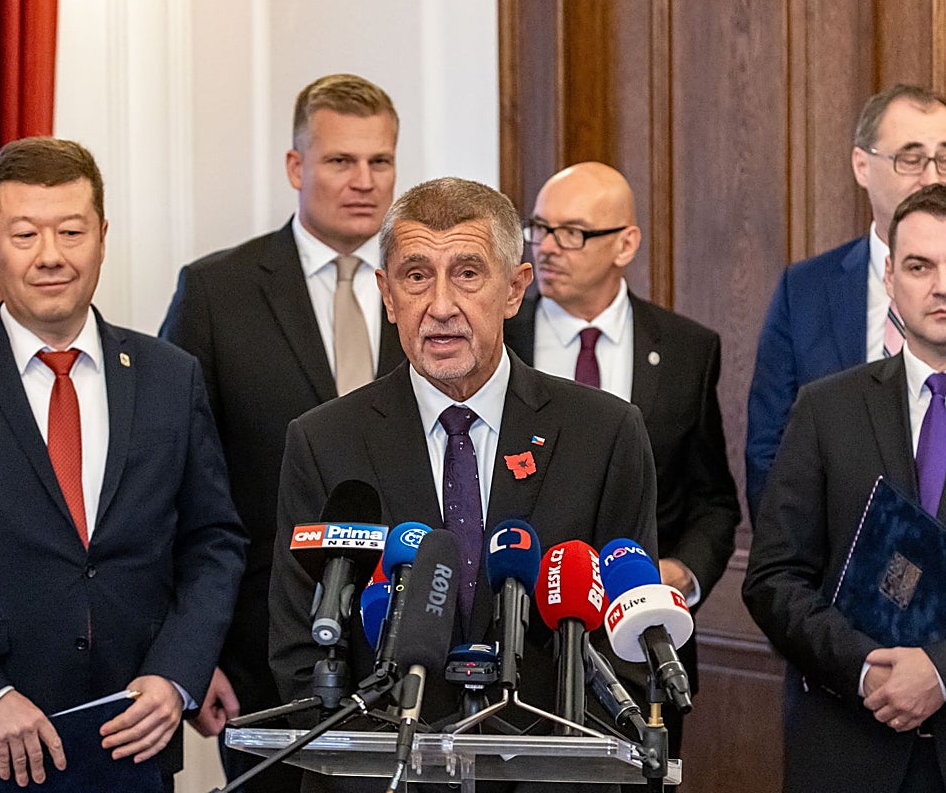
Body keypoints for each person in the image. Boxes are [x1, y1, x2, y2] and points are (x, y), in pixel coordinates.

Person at [0, 138, 247, 793]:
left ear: (102, 237)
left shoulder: (169, 376)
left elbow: (215, 542)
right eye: (25, 234)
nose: (51, 255)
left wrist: (176, 675)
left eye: (70, 231)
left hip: (134, 739)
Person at [269, 176, 659, 792]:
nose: (441, 305)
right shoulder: (323, 442)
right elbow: (302, 653)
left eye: (469, 273)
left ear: (515, 289)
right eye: (416, 275)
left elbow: (628, 644)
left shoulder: (604, 434)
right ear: (387, 294)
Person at [743, 184, 946, 792]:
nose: (943, 285)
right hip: (849, 745)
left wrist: (944, 672)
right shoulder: (826, 408)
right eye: (920, 266)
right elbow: (774, 578)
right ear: (890, 278)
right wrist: (865, 670)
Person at [159, 73, 404, 789]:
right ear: (297, 167)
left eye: (380, 161)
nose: (364, 181)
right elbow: (170, 478)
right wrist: (189, 652)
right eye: (340, 160)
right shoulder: (217, 291)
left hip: (413, 635)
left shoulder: (429, 287)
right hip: (260, 645)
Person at [504, 162, 739, 754]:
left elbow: (711, 499)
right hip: (516, 646)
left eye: (572, 232)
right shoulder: (499, 339)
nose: (547, 247)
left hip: (639, 650)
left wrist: (682, 573)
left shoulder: (686, 349)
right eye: (539, 228)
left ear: (626, 244)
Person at [745, 84, 946, 518]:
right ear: (862, 165)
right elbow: (770, 452)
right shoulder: (804, 289)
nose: (932, 178)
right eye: (911, 159)